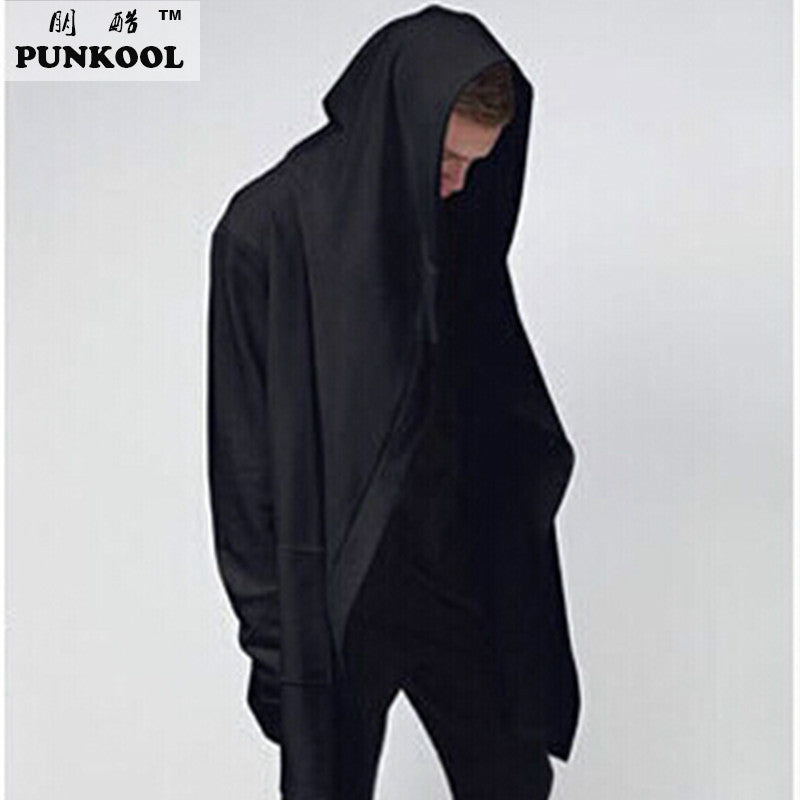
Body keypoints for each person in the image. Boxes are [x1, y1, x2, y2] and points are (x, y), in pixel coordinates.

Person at [207, 7, 580, 800]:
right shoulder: (263, 229)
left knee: (515, 780)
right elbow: (241, 464)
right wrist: (274, 647)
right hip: (336, 605)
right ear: (397, 125)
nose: (458, 182)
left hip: (454, 574)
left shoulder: (450, 222)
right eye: (447, 158)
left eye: (475, 164)